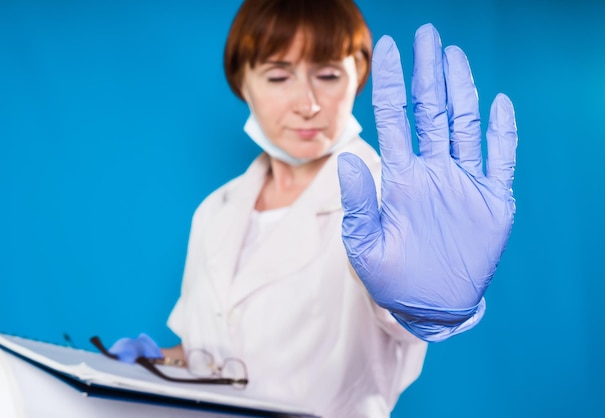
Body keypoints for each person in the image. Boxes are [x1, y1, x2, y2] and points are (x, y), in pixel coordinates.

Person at [108, 0, 518, 416]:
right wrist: (156, 361)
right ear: (241, 83)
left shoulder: (395, 202)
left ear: (358, 77)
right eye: (278, 76)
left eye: (327, 75)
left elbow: (398, 319)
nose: (307, 104)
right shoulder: (216, 209)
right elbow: (214, 352)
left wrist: (427, 310)